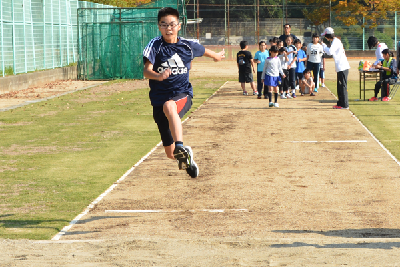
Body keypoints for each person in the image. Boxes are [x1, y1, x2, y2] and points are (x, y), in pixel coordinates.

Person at [142, 7, 225, 178]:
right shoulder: (155, 45)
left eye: (172, 24)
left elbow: (204, 51)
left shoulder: (187, 45)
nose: (168, 28)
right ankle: (186, 158)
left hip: (181, 94)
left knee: (170, 106)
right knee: (170, 153)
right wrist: (158, 76)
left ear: (179, 26)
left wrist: (216, 56)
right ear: (159, 27)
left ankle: (180, 145)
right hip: (158, 99)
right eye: (164, 25)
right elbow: (146, 71)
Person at [321, 27, 350, 109]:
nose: (325, 38)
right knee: (339, 86)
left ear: (328, 35)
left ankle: (345, 105)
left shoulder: (336, 41)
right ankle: (340, 103)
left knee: (342, 86)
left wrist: (323, 45)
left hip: (342, 67)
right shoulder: (335, 41)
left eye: (325, 36)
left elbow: (330, 52)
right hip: (340, 67)